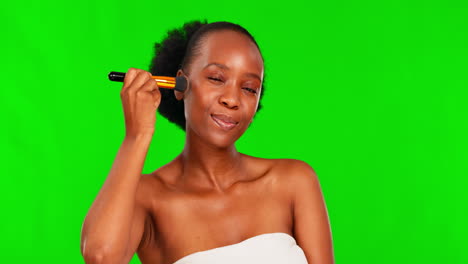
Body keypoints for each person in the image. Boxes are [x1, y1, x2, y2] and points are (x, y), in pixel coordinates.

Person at [80, 20, 335, 264]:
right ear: (180, 85)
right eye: (216, 78)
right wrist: (137, 136)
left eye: (249, 88)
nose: (232, 99)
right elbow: (101, 257)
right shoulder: (149, 197)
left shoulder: (294, 181)